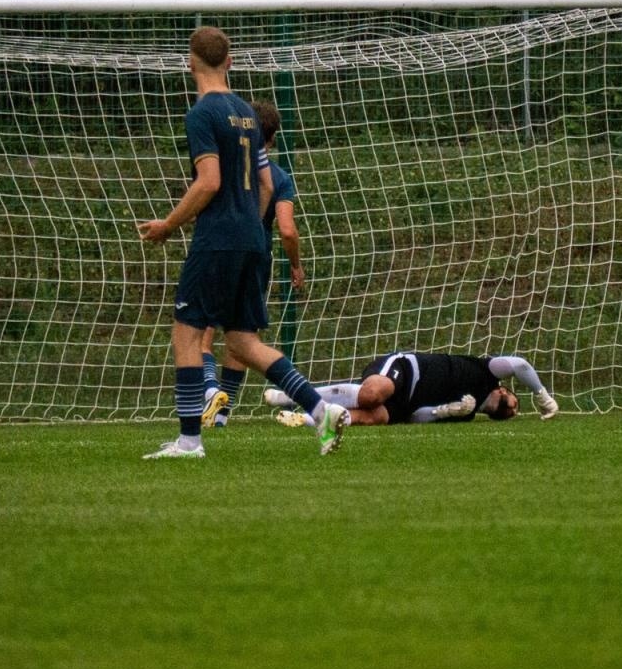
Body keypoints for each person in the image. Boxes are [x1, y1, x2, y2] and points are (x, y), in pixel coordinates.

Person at [137, 27, 349, 459]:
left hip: (218, 240)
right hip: (253, 239)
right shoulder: (248, 115)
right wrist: (248, 224)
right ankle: (321, 408)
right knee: (243, 343)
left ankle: (189, 441)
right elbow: (267, 183)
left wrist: (169, 225)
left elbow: (209, 181)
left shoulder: (202, 113)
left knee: (187, 334)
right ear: (229, 62)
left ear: (191, 62)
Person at [200, 98, 305, 428]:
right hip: (256, 258)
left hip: (218, 249)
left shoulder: (225, 170)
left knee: (202, 328)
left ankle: (209, 387)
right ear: (272, 139)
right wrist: (296, 265)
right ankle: (222, 414)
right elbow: (287, 230)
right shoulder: (279, 178)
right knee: (242, 337)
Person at [267, 351, 559, 426]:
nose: (512, 408)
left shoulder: (467, 414)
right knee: (372, 394)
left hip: (406, 405)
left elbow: (418, 416)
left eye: (513, 412)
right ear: (504, 389)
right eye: (515, 401)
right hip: (407, 370)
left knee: (374, 417)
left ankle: (303, 418)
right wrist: (543, 397)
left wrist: (444, 412)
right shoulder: (487, 372)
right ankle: (293, 394)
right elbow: (520, 365)